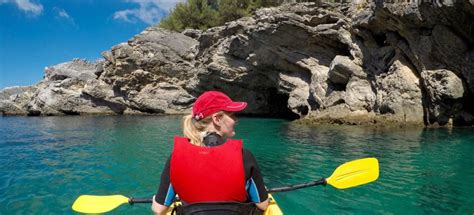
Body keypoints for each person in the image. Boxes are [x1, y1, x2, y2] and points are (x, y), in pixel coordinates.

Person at [152, 91, 269, 215]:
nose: (236, 120)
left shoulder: (176, 158)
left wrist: (155, 199)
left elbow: (159, 209)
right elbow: (262, 205)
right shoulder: (244, 156)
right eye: (232, 115)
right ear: (217, 119)